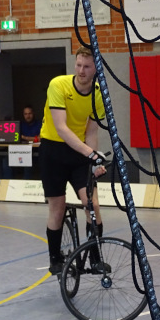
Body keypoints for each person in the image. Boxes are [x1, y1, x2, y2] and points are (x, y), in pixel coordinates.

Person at [39, 46, 108, 276]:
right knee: (57, 208)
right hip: (53, 151)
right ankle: (55, 258)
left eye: (87, 66)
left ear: (96, 68)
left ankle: (96, 258)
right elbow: (61, 128)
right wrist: (90, 153)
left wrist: (94, 161)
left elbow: (92, 132)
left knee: (92, 204)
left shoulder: (98, 93)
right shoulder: (58, 85)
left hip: (79, 153)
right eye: (78, 65)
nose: (81, 70)